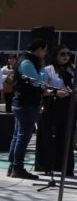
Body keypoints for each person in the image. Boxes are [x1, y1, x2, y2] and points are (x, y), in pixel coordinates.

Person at [7, 38, 50, 180]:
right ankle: (17, 167)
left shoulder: (28, 61)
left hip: (24, 104)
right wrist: (42, 68)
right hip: (26, 105)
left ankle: (13, 166)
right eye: (45, 50)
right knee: (22, 137)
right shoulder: (26, 62)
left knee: (18, 136)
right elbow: (38, 82)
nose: (45, 53)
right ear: (39, 49)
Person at [34, 45, 75, 176]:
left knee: (66, 136)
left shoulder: (72, 69)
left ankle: (65, 166)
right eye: (62, 54)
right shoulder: (48, 70)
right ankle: (47, 166)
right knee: (48, 135)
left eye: (68, 54)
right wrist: (56, 93)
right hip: (52, 104)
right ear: (55, 55)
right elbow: (41, 89)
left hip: (68, 106)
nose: (66, 57)